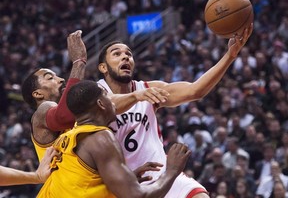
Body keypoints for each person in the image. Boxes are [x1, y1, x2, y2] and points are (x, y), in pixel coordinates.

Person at [96, 24, 253, 198]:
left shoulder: (148, 88)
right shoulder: (95, 92)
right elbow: (108, 103)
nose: (125, 57)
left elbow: (195, 91)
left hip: (160, 174)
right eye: (117, 54)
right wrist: (136, 96)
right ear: (103, 67)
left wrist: (230, 56)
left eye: (129, 54)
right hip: (121, 184)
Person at [21, 30, 169, 163]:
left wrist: (132, 174)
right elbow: (64, 116)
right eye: (50, 77)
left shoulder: (83, 119)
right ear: (38, 94)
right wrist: (79, 62)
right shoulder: (42, 112)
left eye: (58, 76)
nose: (61, 79)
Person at [37, 80, 191, 197]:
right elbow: (137, 196)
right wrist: (172, 170)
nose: (112, 101)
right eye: (107, 96)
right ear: (101, 104)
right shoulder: (100, 138)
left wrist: (129, 178)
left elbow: (80, 183)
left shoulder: (68, 136)